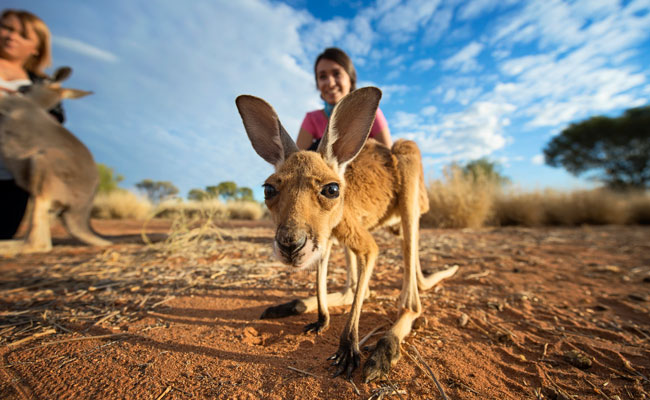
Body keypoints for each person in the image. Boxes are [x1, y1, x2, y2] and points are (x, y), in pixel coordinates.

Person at [0, 9, 63, 239]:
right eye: (6, 28)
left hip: (13, 176)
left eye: (23, 35)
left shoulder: (43, 84)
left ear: (37, 48)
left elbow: (54, 123)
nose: (10, 36)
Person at [296, 47, 392, 151]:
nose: (330, 83)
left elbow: (390, 158)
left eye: (337, 74)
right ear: (318, 84)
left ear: (350, 79)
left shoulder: (371, 113)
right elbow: (295, 161)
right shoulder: (312, 119)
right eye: (323, 77)